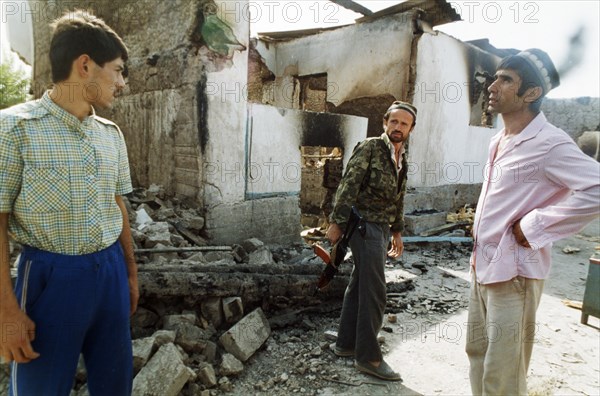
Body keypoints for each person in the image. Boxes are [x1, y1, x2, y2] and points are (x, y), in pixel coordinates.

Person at [0, 10, 138, 395]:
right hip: (50, 277)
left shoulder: (111, 136)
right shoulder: (14, 129)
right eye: (118, 70)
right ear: (85, 65)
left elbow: (116, 205)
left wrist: (129, 273)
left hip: (109, 272)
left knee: (115, 385)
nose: (122, 82)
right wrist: (6, 311)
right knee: (40, 388)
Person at [466, 48, 600, 395]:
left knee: (503, 375)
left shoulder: (550, 143)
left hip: (516, 275)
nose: (493, 86)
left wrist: (536, 226)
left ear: (531, 94)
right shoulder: (499, 140)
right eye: (495, 77)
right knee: (477, 354)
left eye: (506, 79)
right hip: (482, 266)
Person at [326, 100, 417, 381]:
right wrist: (336, 223)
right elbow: (348, 185)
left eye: (404, 123)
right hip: (363, 226)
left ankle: (346, 344)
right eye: (394, 121)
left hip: (381, 228)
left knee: (360, 284)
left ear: (410, 129)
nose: (397, 127)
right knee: (376, 291)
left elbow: (398, 199)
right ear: (385, 123)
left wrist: (398, 232)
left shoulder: (401, 158)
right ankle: (369, 358)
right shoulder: (370, 148)